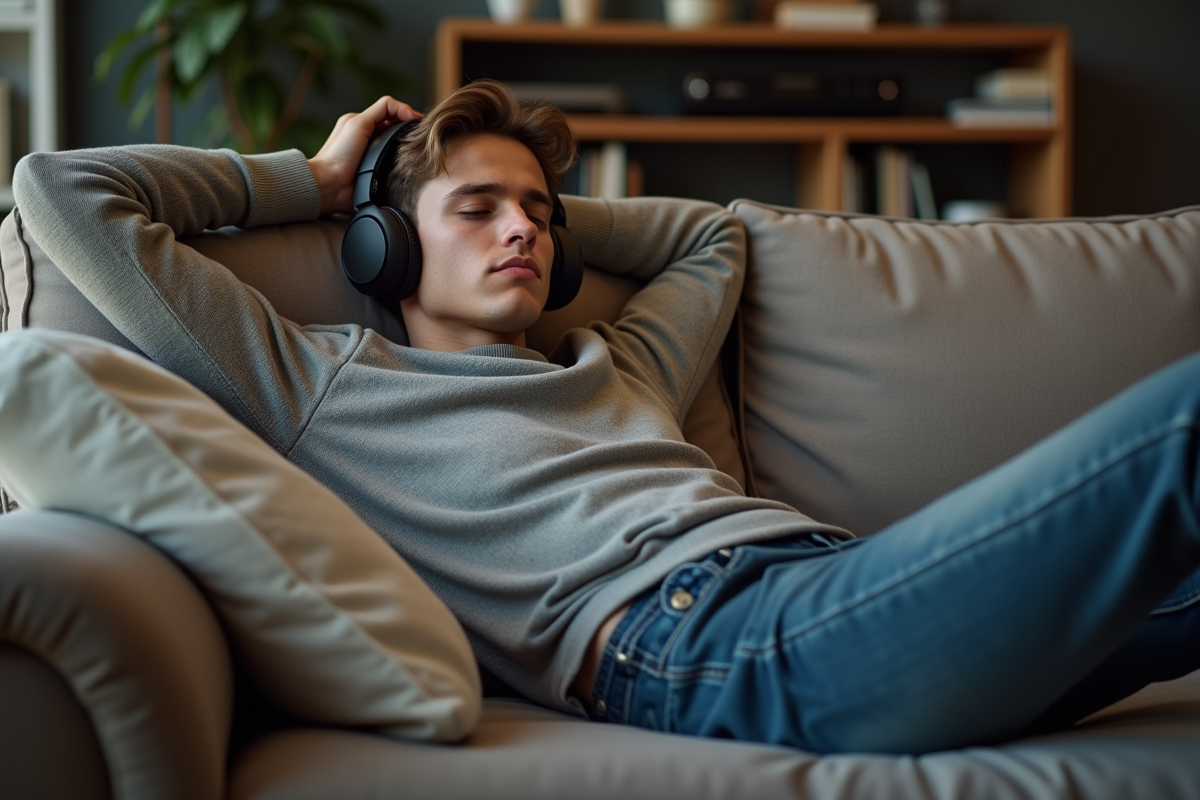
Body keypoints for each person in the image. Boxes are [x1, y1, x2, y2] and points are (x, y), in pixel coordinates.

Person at [11, 79, 1200, 755]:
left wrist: (550, 214)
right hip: (706, 636)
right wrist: (321, 182)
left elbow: (711, 237)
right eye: (478, 206)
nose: (523, 229)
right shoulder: (317, 377)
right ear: (385, 246)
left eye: (541, 213)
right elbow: (60, 189)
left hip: (827, 580)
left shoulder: (616, 363)